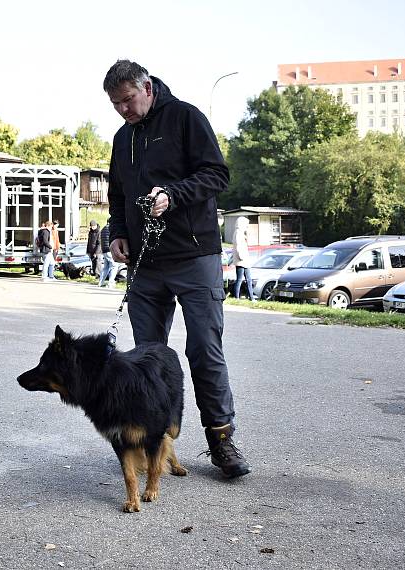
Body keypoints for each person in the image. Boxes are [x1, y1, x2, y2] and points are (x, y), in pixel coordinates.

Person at [103, 59, 250, 478]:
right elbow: (118, 194)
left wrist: (174, 194)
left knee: (204, 350)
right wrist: (117, 232)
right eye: (116, 105)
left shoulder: (186, 117)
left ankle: (222, 441)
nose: (124, 111)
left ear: (146, 87)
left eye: (128, 100)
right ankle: (154, 443)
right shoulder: (122, 137)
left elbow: (216, 175)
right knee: (149, 358)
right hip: (145, 264)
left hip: (194, 256)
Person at [232, 216, 256, 301]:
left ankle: (251, 297)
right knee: (239, 279)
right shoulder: (238, 232)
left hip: (245, 260)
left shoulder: (242, 233)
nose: (247, 226)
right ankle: (237, 297)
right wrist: (241, 257)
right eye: (246, 225)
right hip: (241, 260)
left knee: (249, 279)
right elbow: (238, 246)